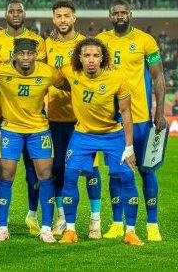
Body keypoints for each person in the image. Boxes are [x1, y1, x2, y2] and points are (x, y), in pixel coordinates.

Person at [58, 37, 145, 245]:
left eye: (96, 56)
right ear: (79, 57)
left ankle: (130, 232)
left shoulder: (117, 77)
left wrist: (129, 148)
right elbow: (48, 73)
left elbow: (126, 113)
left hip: (112, 134)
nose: (91, 60)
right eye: (87, 55)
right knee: (69, 176)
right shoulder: (70, 71)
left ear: (102, 58)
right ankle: (70, 230)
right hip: (83, 134)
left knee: (127, 177)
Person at [96, 0, 168, 242]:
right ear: (110, 16)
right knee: (116, 173)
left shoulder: (146, 41)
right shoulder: (102, 40)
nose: (120, 16)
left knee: (147, 170)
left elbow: (158, 77)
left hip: (140, 117)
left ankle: (152, 224)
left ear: (130, 14)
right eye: (115, 13)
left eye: (123, 12)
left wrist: (160, 112)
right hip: (112, 120)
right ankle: (117, 223)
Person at [0, 38, 66, 243]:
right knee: (6, 175)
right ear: (14, 55)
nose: (25, 57)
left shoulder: (47, 72)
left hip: (39, 131)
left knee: (45, 176)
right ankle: (2, 227)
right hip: (10, 130)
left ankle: (46, 228)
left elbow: (69, 82)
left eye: (30, 54)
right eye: (21, 54)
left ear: (36, 55)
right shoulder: (1, 70)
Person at [0, 0, 46, 235]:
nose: (15, 14)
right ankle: (1, 220)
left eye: (18, 11)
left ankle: (32, 214)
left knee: (34, 169)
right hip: (3, 115)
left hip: (33, 115)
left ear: (24, 14)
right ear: (5, 14)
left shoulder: (37, 40)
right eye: (11, 11)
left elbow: (40, 72)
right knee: (2, 169)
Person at [46, 0, 102, 238]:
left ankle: (95, 219)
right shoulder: (46, 44)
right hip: (54, 117)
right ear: (53, 19)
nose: (63, 20)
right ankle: (61, 217)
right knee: (58, 168)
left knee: (91, 170)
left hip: (84, 119)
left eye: (66, 15)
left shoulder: (85, 45)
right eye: (58, 16)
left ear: (74, 18)